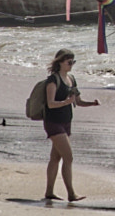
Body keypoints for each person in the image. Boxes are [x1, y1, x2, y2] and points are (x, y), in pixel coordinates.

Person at [41, 49, 96, 202]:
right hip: (53, 122)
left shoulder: (71, 78)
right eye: (69, 62)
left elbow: (78, 101)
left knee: (55, 158)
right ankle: (71, 193)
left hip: (66, 122)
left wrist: (91, 103)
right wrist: (65, 102)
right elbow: (50, 104)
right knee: (69, 157)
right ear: (60, 62)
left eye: (73, 62)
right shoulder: (53, 80)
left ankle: (49, 192)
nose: (71, 65)